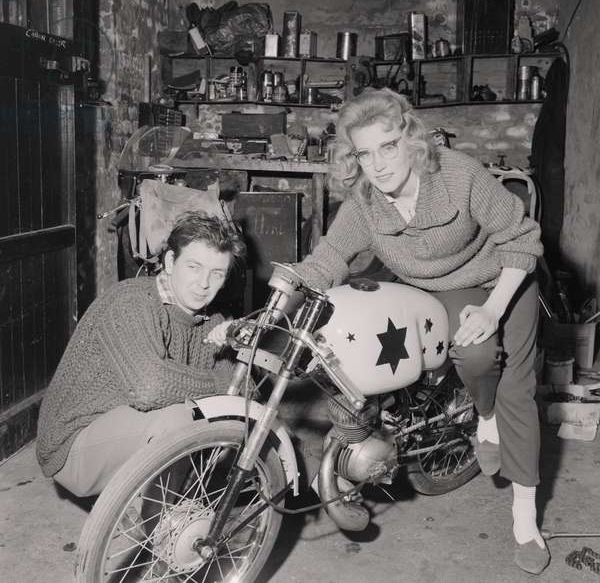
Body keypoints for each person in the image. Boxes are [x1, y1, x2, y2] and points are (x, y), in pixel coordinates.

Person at [283, 87, 547, 574]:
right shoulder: (366, 200)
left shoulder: (459, 174)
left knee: (506, 381)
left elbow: (522, 237)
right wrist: (288, 287)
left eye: (388, 146)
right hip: (437, 289)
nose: (379, 164)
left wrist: (491, 309)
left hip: (502, 278)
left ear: (410, 139)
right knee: (460, 359)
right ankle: (479, 412)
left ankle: (525, 516)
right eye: (365, 153)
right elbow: (331, 257)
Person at [36, 211, 246, 498]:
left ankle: (172, 507)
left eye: (217, 273)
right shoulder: (132, 301)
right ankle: (153, 534)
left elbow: (246, 391)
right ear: (171, 262)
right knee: (180, 420)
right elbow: (150, 387)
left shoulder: (213, 320)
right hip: (74, 443)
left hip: (129, 425)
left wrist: (239, 346)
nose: (204, 284)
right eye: (194, 267)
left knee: (220, 421)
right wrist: (222, 386)